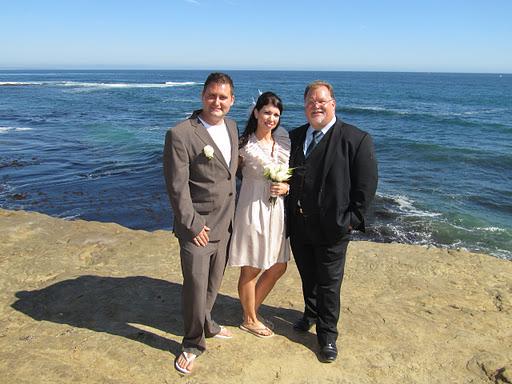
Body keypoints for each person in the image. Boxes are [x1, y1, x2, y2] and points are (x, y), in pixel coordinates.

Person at [287, 80, 378, 363]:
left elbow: (366, 186)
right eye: (311, 101)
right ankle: (310, 313)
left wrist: (350, 220)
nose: (316, 105)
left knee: (329, 283)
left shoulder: (356, 139)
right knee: (308, 275)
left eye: (322, 100)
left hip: (333, 228)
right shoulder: (294, 136)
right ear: (305, 107)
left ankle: (327, 335)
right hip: (299, 226)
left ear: (333, 104)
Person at [163, 72, 238, 375]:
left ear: (232, 101)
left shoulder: (232, 127)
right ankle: (192, 343)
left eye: (223, 97)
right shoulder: (181, 133)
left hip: (226, 223)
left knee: (213, 283)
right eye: (212, 95)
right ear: (202, 96)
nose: (216, 102)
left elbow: (229, 174)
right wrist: (193, 225)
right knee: (195, 286)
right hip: (198, 228)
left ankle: (207, 323)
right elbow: (176, 186)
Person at [228, 92, 291, 338]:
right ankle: (249, 319)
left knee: (278, 265)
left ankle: (250, 309)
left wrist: (286, 187)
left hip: (277, 211)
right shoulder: (244, 144)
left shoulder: (284, 139)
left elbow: (289, 176)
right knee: (252, 267)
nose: (271, 118)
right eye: (266, 112)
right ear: (256, 113)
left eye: (276, 114)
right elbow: (227, 174)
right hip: (252, 209)